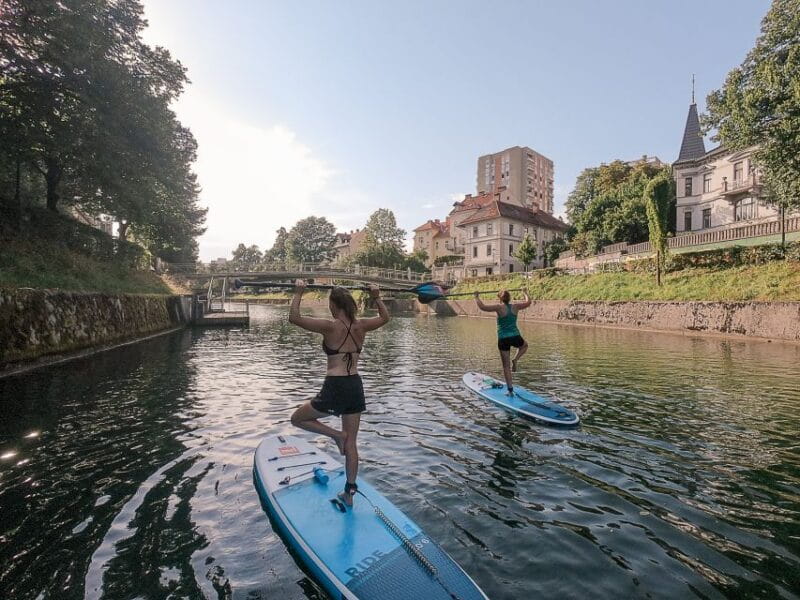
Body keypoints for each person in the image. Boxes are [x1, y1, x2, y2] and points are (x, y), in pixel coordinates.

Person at [288, 279, 390, 508]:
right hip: (355, 385)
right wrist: (376, 296)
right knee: (352, 443)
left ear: (334, 305)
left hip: (335, 386)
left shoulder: (330, 326)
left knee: (297, 419)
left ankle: (336, 435)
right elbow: (385, 318)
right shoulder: (362, 325)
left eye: (330, 304)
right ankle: (349, 493)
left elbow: (294, 317)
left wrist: (299, 292)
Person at [474, 289, 531, 395]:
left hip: (503, 339)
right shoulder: (516, 307)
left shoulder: (498, 307)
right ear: (509, 298)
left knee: (506, 366)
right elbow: (528, 302)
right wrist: (525, 292)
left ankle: (510, 390)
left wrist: (476, 297)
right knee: (524, 346)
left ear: (500, 298)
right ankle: (516, 359)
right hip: (515, 336)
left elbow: (482, 307)